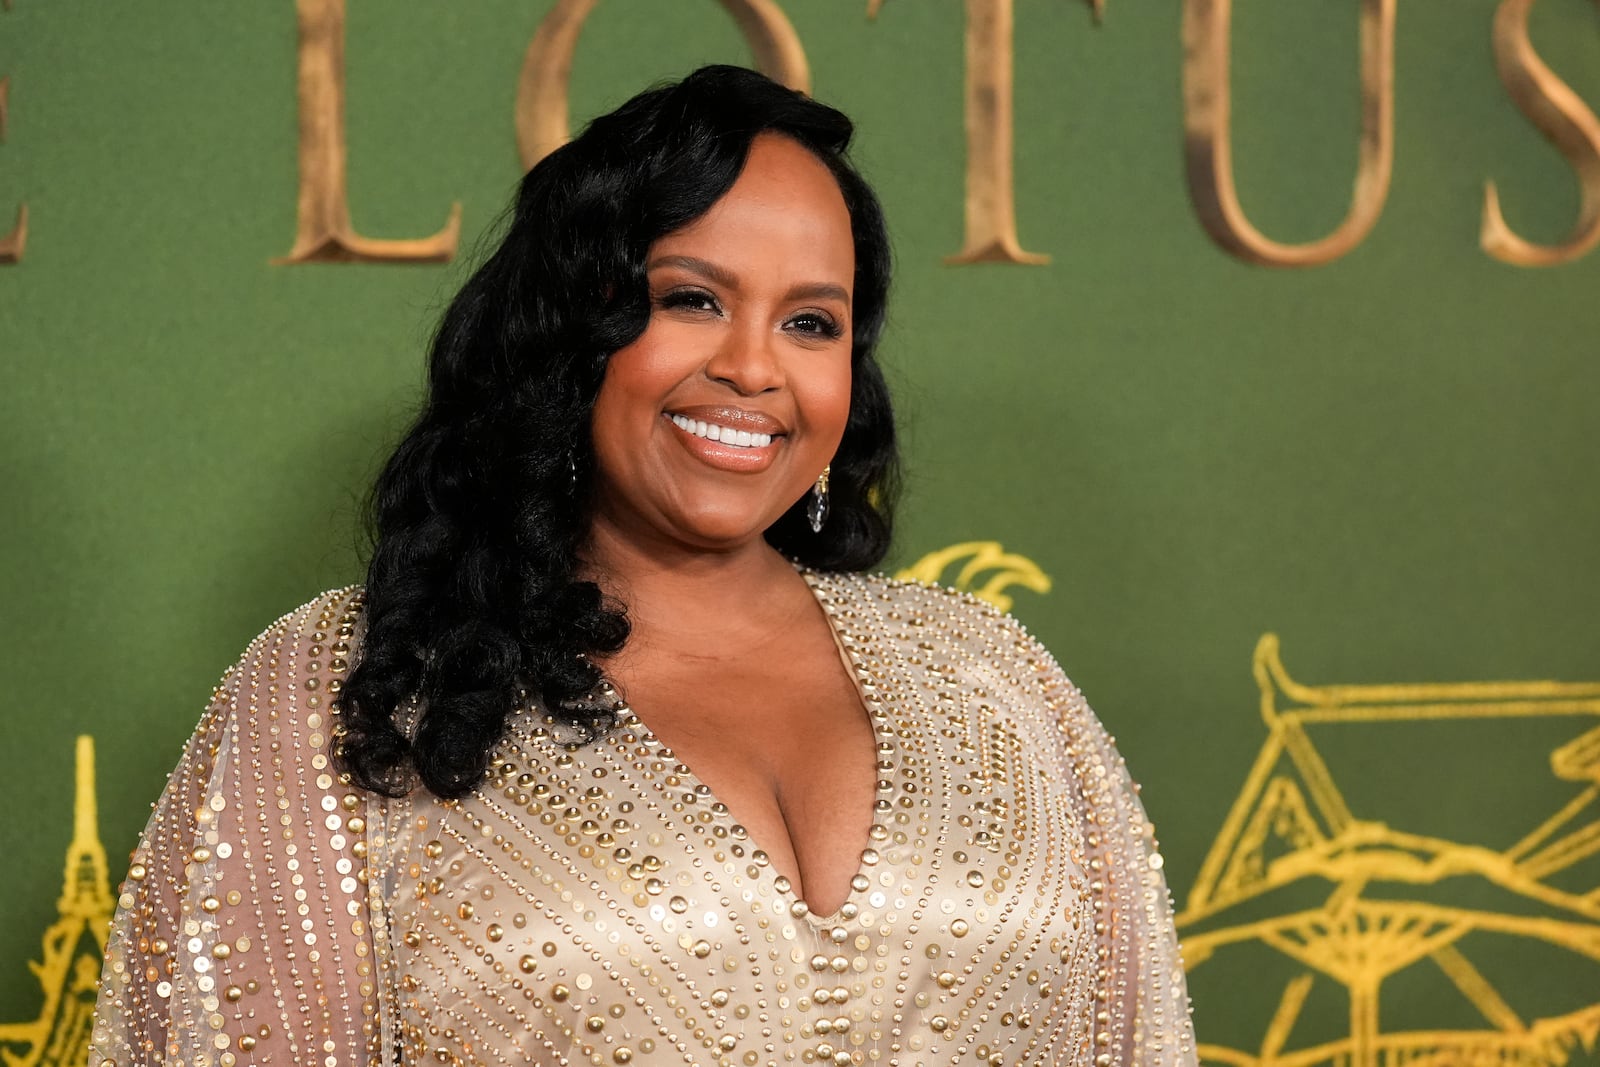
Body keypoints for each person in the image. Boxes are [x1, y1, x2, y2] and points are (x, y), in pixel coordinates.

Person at [90, 65, 1195, 1067]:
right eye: (691, 299)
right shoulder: (350, 685)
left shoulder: (992, 676)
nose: (753, 367)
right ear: (574, 329)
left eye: (812, 322)